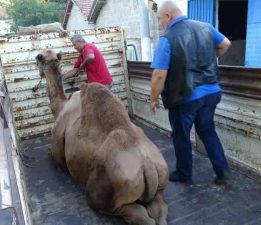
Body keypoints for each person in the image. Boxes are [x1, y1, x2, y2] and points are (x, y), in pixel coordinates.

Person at [150, 0, 231, 185]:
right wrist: (210, 56)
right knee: (207, 131)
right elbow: (226, 44)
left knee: (181, 135)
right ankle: (223, 171)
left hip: (185, 97)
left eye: (159, 18)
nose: (160, 23)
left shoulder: (167, 39)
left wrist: (153, 98)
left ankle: (184, 174)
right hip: (211, 92)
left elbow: (159, 75)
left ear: (168, 16)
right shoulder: (206, 27)